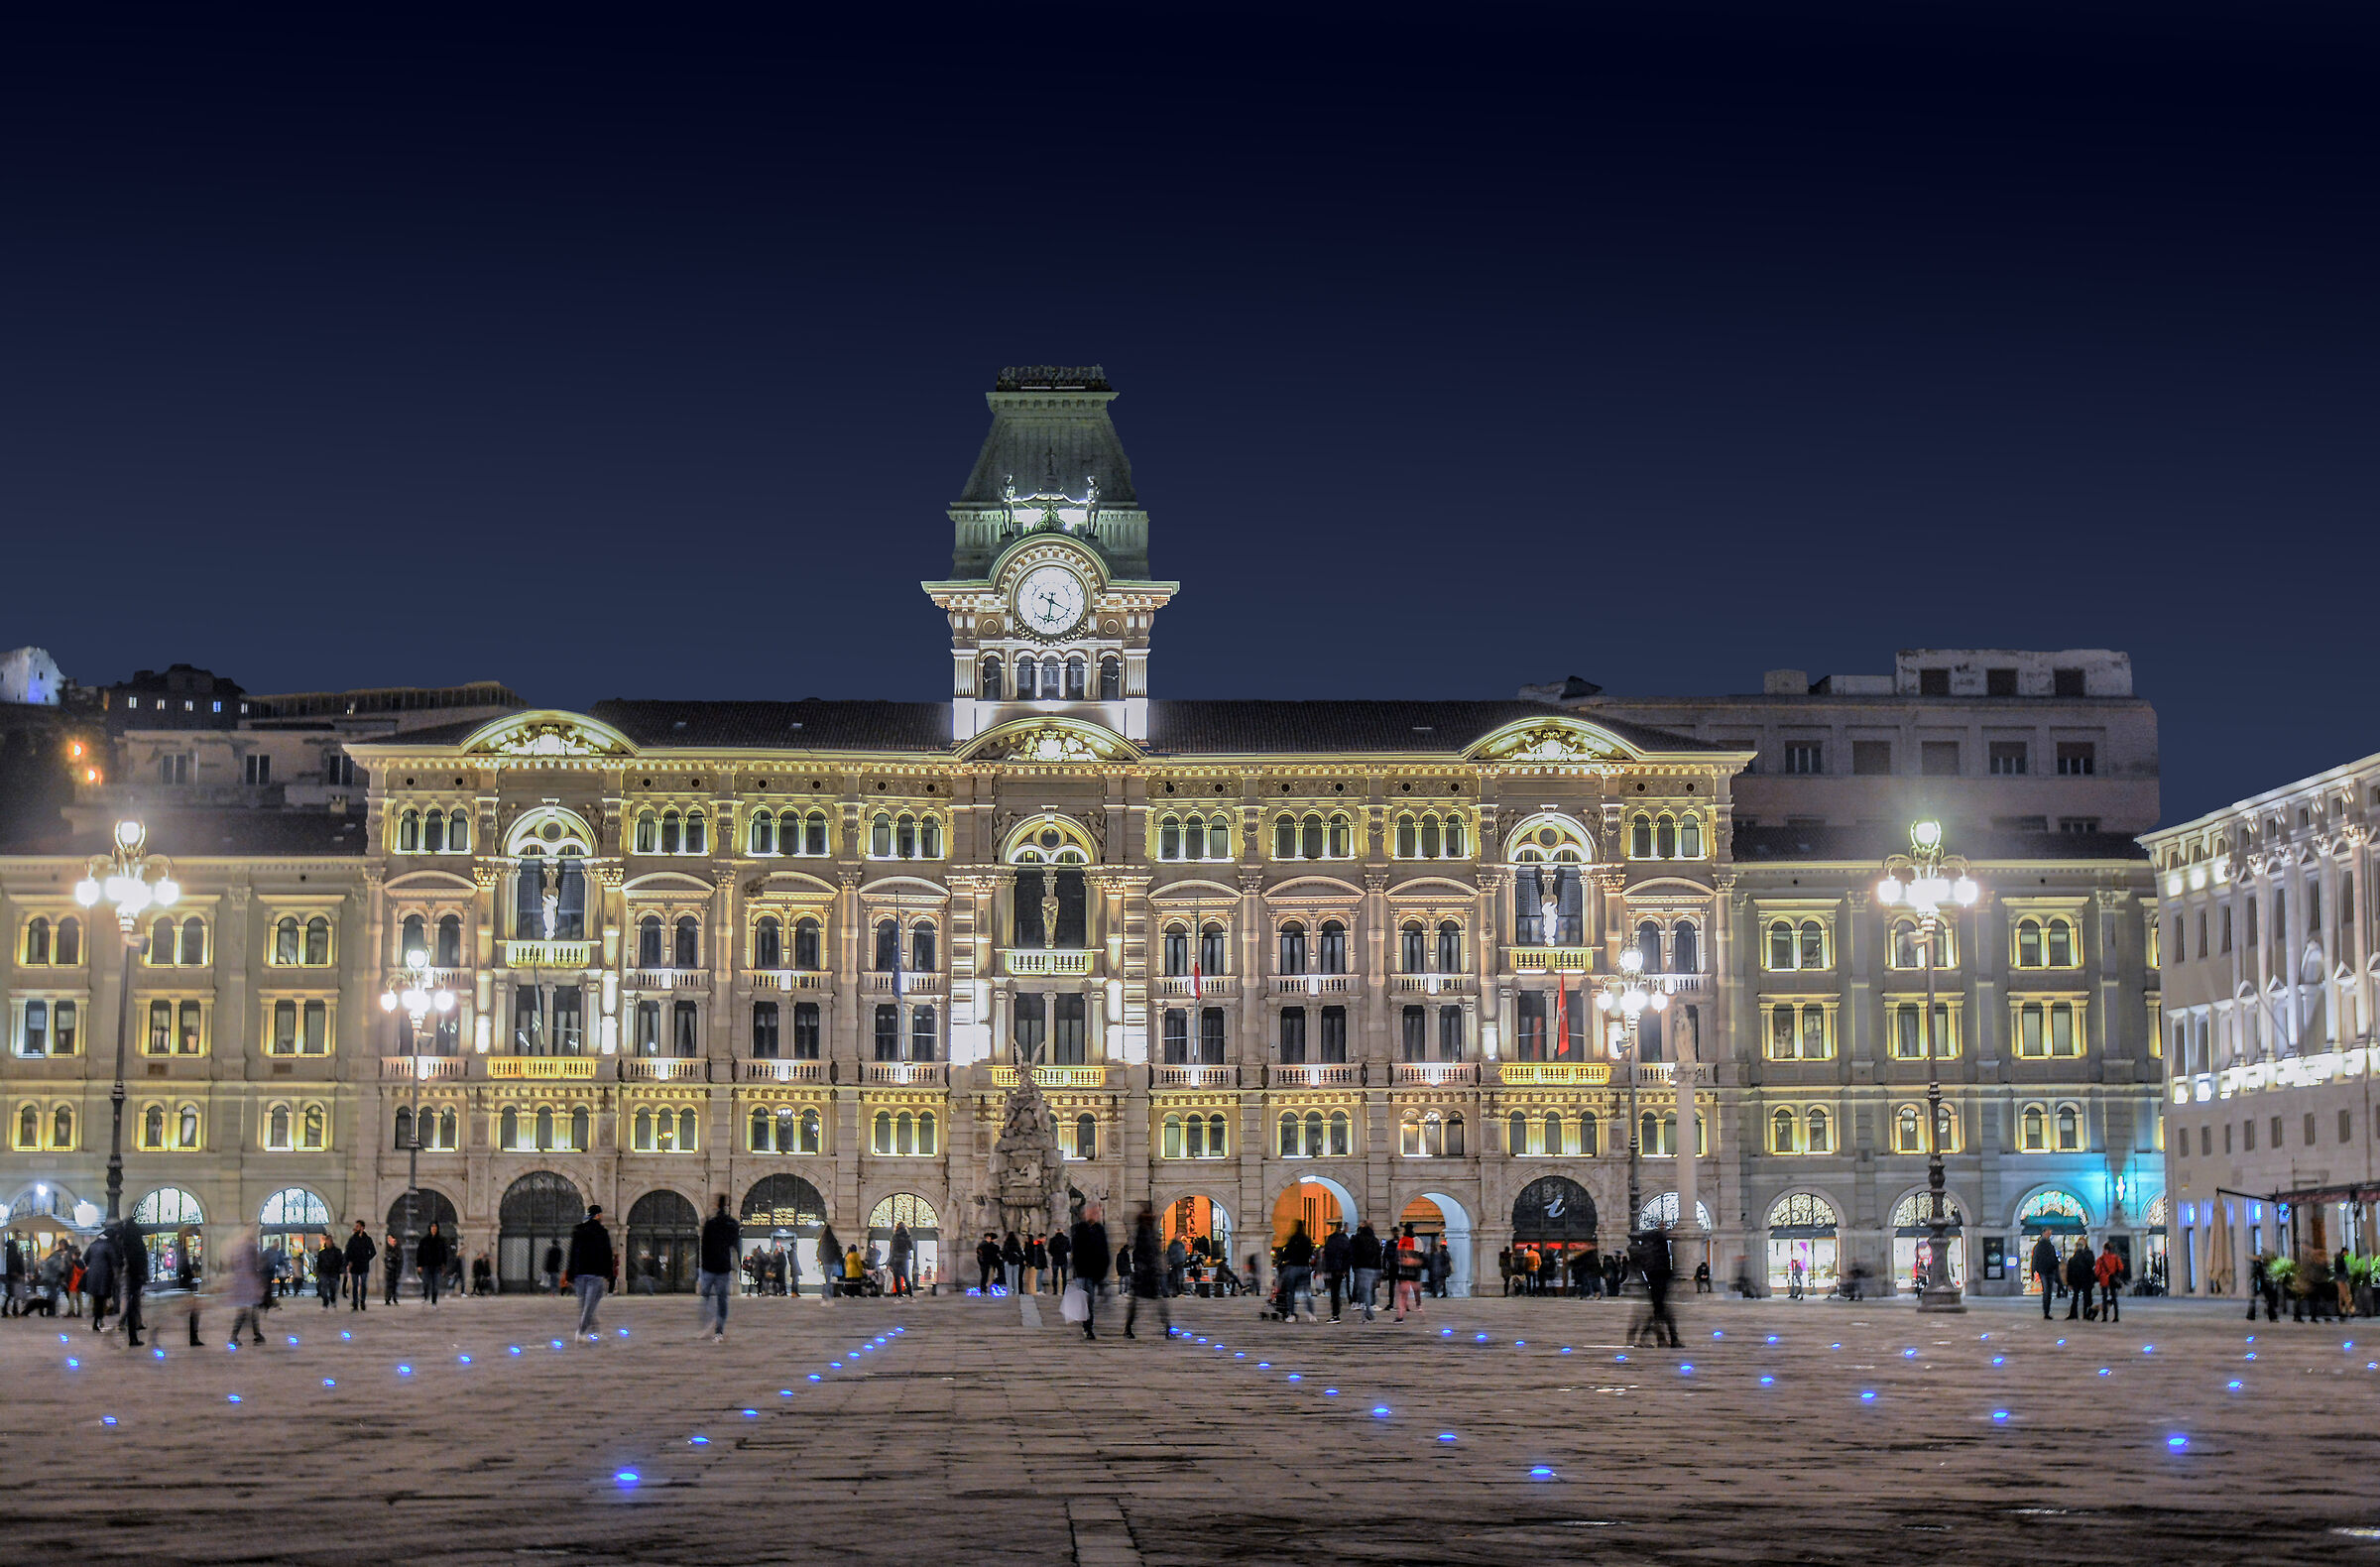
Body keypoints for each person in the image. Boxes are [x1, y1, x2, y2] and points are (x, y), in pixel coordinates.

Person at [563, 1203, 615, 1340]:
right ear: (598, 1215)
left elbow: (572, 1253)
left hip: (579, 1273)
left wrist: (570, 1274)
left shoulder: (578, 1230)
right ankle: (581, 1332)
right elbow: (607, 1254)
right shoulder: (602, 1232)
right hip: (595, 1273)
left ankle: (595, 1331)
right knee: (590, 1305)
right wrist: (609, 1274)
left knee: (585, 1305)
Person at [695, 1194, 738, 1340]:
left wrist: (702, 1265)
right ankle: (719, 1330)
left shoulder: (710, 1224)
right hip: (723, 1266)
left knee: (706, 1297)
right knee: (722, 1300)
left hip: (709, 1266)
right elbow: (734, 1244)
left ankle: (706, 1325)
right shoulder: (731, 1224)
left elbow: (704, 1246)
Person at [1630, 1228, 1680, 1348]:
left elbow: (1643, 1265)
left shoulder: (1647, 1248)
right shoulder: (1660, 1247)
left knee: (1659, 1311)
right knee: (1661, 1311)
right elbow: (1665, 1265)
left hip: (1653, 1280)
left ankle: (1662, 1338)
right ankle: (1668, 1339)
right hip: (1660, 1280)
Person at [1068, 1203, 1111, 1340]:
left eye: (1097, 1213)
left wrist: (1104, 1268)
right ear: (1086, 1214)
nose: (1096, 1215)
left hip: (1094, 1271)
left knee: (1090, 1301)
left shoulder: (1099, 1229)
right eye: (1093, 1212)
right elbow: (1076, 1250)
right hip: (1082, 1271)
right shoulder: (1079, 1228)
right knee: (1085, 1301)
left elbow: (1104, 1250)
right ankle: (1087, 1326)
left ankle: (1088, 1326)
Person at [1127, 1207, 1170, 1339]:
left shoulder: (1146, 1231)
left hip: (1147, 1272)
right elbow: (1145, 1252)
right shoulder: (1145, 1232)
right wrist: (1152, 1266)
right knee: (1155, 1301)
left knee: (1138, 1302)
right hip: (1146, 1273)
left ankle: (1167, 1326)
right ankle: (1167, 1327)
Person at [225, 1225, 268, 1348]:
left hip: (242, 1282)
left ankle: (257, 1335)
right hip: (249, 1283)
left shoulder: (240, 1247)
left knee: (249, 1310)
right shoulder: (251, 1247)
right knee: (245, 1311)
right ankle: (234, 1337)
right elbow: (255, 1266)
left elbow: (234, 1264)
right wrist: (258, 1283)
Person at [116, 1219, 151, 1348]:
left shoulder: (124, 1242)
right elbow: (141, 1260)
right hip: (135, 1276)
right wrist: (142, 1275)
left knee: (130, 1303)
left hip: (128, 1275)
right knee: (133, 1305)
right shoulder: (136, 1243)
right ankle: (133, 1336)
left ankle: (132, 1332)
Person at [1278, 1220, 1316, 1322]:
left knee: (1291, 1292)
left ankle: (1291, 1314)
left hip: (1293, 1267)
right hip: (1304, 1267)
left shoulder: (1293, 1238)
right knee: (1306, 1293)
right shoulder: (1307, 1240)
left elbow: (1287, 1253)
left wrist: (1281, 1261)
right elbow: (1310, 1253)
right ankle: (1311, 1314)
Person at [83, 1229, 116, 1333]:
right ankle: (98, 1319)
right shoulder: (109, 1246)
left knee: (96, 1299)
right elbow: (114, 1260)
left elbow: (85, 1258)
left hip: (93, 1275)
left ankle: (96, 1320)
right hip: (105, 1276)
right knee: (102, 1300)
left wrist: (92, 1266)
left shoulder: (92, 1245)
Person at [1391, 1226, 1427, 1322]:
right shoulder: (1418, 1241)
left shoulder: (1402, 1241)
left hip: (1404, 1272)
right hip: (1415, 1272)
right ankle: (1421, 1312)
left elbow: (1397, 1257)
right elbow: (1422, 1257)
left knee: (1403, 1295)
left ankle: (1400, 1316)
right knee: (1417, 1294)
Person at [1319, 1222, 1351, 1322]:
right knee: (1338, 1290)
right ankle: (1337, 1312)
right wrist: (1345, 1269)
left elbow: (1327, 1253)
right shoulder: (1345, 1239)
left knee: (1334, 1292)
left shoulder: (1331, 1238)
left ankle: (1335, 1313)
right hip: (1340, 1268)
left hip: (1333, 1268)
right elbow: (1348, 1255)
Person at [342, 1222, 376, 1311]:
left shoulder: (367, 1239)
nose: (356, 1228)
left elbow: (373, 1251)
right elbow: (348, 1251)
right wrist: (349, 1262)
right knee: (355, 1285)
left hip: (363, 1265)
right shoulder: (352, 1239)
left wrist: (366, 1258)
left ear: (362, 1228)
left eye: (357, 1226)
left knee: (363, 1284)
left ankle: (362, 1301)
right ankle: (355, 1302)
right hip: (354, 1265)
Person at [416, 1223, 450, 1307]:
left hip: (437, 1266)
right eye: (432, 1227)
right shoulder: (424, 1240)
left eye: (435, 1227)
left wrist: (444, 1265)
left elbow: (444, 1254)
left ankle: (434, 1301)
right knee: (425, 1283)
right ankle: (425, 1296)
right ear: (430, 1228)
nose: (434, 1229)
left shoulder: (441, 1240)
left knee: (436, 1284)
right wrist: (419, 1265)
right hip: (426, 1265)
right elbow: (419, 1253)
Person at [2030, 1234, 2061, 1319]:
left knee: (2047, 1291)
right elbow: (2054, 1259)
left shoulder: (2039, 1247)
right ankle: (2046, 1311)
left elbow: (2034, 1259)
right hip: (2048, 1271)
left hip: (2044, 1271)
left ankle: (2046, 1311)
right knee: (2048, 1291)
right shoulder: (2049, 1246)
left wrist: (2033, 1271)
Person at [2063, 1241, 2095, 1321]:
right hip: (2086, 1279)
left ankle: (2073, 1314)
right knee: (2087, 1297)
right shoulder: (2088, 1256)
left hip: (2076, 1280)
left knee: (2075, 1296)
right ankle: (2086, 1314)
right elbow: (2092, 1266)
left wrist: (2069, 1283)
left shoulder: (2072, 1259)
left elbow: (2069, 1272)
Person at [2094, 1240, 2125, 1323]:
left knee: (2104, 1298)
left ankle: (2104, 1317)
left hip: (2104, 1280)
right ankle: (2116, 1316)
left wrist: (2099, 1276)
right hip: (2112, 1280)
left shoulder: (2100, 1259)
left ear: (2104, 1249)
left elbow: (2097, 1271)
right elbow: (2121, 1268)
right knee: (2114, 1298)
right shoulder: (2116, 1258)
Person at [313, 1233, 342, 1310]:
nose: (329, 1242)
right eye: (328, 1241)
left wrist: (340, 1269)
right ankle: (325, 1303)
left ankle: (333, 1300)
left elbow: (340, 1261)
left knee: (333, 1288)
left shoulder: (337, 1251)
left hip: (334, 1272)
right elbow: (319, 1263)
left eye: (330, 1241)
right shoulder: (322, 1252)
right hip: (324, 1272)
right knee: (323, 1288)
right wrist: (318, 1271)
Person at [815, 1224, 843, 1300]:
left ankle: (827, 1293)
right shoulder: (833, 1240)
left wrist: (821, 1260)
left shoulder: (822, 1241)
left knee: (827, 1278)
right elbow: (838, 1251)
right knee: (831, 1278)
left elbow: (819, 1252)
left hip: (825, 1263)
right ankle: (830, 1292)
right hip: (832, 1262)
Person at [890, 1222, 914, 1296]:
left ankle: (900, 1294)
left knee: (897, 1278)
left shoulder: (894, 1237)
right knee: (906, 1277)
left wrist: (890, 1262)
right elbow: (911, 1247)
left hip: (896, 1259)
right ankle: (911, 1294)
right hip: (904, 1259)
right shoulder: (907, 1236)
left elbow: (892, 1250)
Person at [974, 1232, 1001, 1297]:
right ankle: (983, 1290)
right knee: (985, 1276)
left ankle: (983, 1289)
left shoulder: (983, 1244)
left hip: (985, 1263)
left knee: (985, 1276)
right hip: (985, 1263)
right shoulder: (985, 1245)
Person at [1048, 1227, 1072, 1296]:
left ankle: (1055, 1291)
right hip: (1063, 1258)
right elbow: (1069, 1249)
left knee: (1054, 1276)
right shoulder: (1066, 1239)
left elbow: (1049, 1249)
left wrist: (1053, 1254)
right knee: (1064, 1276)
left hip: (1055, 1258)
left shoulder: (1052, 1239)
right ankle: (1064, 1291)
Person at [1001, 1231, 1024, 1296]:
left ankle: (1009, 1293)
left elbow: (1003, 1253)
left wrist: (1005, 1259)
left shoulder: (1006, 1243)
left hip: (1008, 1262)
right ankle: (1016, 1292)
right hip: (1016, 1262)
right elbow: (1021, 1253)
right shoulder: (1017, 1243)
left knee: (1008, 1279)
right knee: (1016, 1279)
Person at [1022, 1232, 1046, 1298]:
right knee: (1030, 1279)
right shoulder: (1030, 1246)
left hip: (1032, 1264)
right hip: (1030, 1264)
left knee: (1032, 1279)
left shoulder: (1032, 1246)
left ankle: (1033, 1291)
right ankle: (1031, 1291)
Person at [382, 1233, 403, 1306]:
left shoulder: (397, 1248)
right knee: (388, 1284)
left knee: (394, 1284)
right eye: (388, 1239)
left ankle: (394, 1298)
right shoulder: (386, 1248)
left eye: (391, 1239)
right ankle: (387, 1299)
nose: (390, 1240)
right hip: (389, 1269)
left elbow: (398, 1258)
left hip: (395, 1268)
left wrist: (393, 1257)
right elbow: (385, 1258)